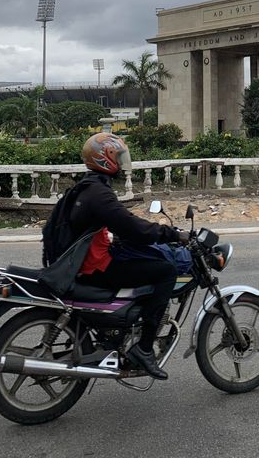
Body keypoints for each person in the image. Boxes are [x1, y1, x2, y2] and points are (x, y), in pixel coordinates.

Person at [70, 132, 188, 380]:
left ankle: (127, 326)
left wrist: (124, 234)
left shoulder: (89, 187)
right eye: (118, 156)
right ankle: (144, 348)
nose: (123, 163)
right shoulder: (99, 194)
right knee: (165, 272)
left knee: (141, 262)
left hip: (86, 260)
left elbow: (117, 223)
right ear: (105, 159)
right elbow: (130, 225)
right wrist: (168, 233)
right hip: (96, 267)